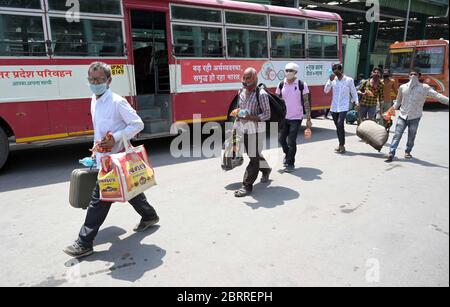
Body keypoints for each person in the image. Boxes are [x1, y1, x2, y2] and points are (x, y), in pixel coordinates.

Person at [64, 62, 159, 258]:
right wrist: (95, 150)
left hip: (116, 160)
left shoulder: (117, 101)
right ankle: (149, 216)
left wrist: (115, 138)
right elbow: (99, 129)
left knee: (99, 200)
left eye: (98, 79)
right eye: (91, 79)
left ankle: (84, 243)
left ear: (109, 80)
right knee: (131, 192)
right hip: (103, 158)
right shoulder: (94, 99)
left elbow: (137, 124)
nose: (94, 83)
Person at [385, 69, 449, 162]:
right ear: (408, 76)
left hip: (415, 116)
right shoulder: (403, 87)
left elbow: (437, 95)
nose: (413, 76)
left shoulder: (424, 87)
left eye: (415, 74)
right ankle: (391, 152)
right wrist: (390, 111)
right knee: (397, 134)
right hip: (403, 115)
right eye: (411, 74)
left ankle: (408, 151)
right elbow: (398, 101)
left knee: (411, 135)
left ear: (419, 76)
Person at [232, 67, 272, 198]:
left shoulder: (262, 94)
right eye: (243, 77)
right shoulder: (241, 92)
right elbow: (240, 110)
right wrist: (235, 124)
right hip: (242, 127)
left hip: (256, 129)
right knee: (254, 154)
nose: (244, 80)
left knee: (253, 157)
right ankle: (266, 169)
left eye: (247, 78)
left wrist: (251, 118)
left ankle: (247, 185)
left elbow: (267, 114)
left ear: (254, 78)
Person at [276, 62, 312, 173]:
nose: (288, 73)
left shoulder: (302, 84)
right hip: (284, 117)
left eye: (290, 70)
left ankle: (290, 163)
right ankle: (288, 154)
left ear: (295, 72)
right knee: (281, 139)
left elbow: (306, 102)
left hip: (296, 117)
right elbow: (277, 101)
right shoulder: (281, 84)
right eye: (286, 70)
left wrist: (308, 118)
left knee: (291, 141)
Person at [324, 63, 359, 154]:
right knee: (338, 127)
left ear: (341, 70)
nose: (336, 73)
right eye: (334, 71)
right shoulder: (333, 80)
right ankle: (340, 144)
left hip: (343, 106)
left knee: (340, 124)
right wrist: (330, 81)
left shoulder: (349, 80)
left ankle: (342, 145)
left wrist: (357, 102)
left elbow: (354, 92)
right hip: (334, 107)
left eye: (337, 71)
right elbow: (326, 91)